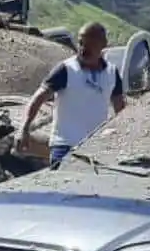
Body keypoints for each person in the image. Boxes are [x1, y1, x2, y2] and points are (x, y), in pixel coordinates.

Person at [20, 22, 126, 164]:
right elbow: (38, 98)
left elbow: (121, 110)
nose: (83, 48)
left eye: (89, 44)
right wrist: (24, 128)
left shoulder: (112, 73)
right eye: (81, 43)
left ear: (103, 44)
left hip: (96, 148)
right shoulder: (66, 69)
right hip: (64, 146)